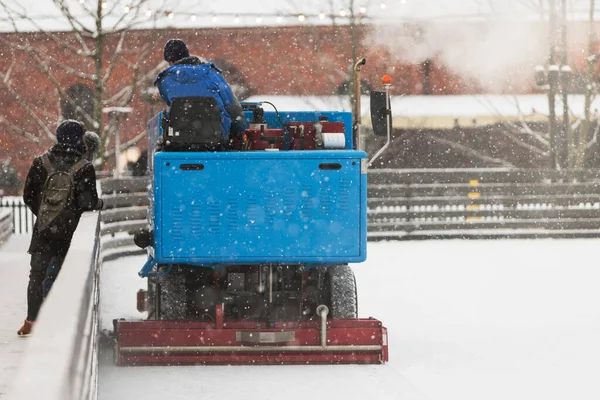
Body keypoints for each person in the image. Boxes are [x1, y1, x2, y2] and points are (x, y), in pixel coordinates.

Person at [18, 120, 103, 336]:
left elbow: (28, 196)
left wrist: (46, 214)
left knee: (36, 275)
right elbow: (88, 202)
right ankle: (55, 320)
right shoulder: (84, 167)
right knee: (60, 275)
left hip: (43, 230)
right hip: (68, 232)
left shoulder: (40, 162)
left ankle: (31, 321)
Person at [153, 39, 246, 140]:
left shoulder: (165, 81)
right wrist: (239, 131)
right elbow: (232, 107)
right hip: (216, 138)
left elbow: (172, 105)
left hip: (179, 138)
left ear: (170, 62)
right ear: (187, 54)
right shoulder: (213, 75)